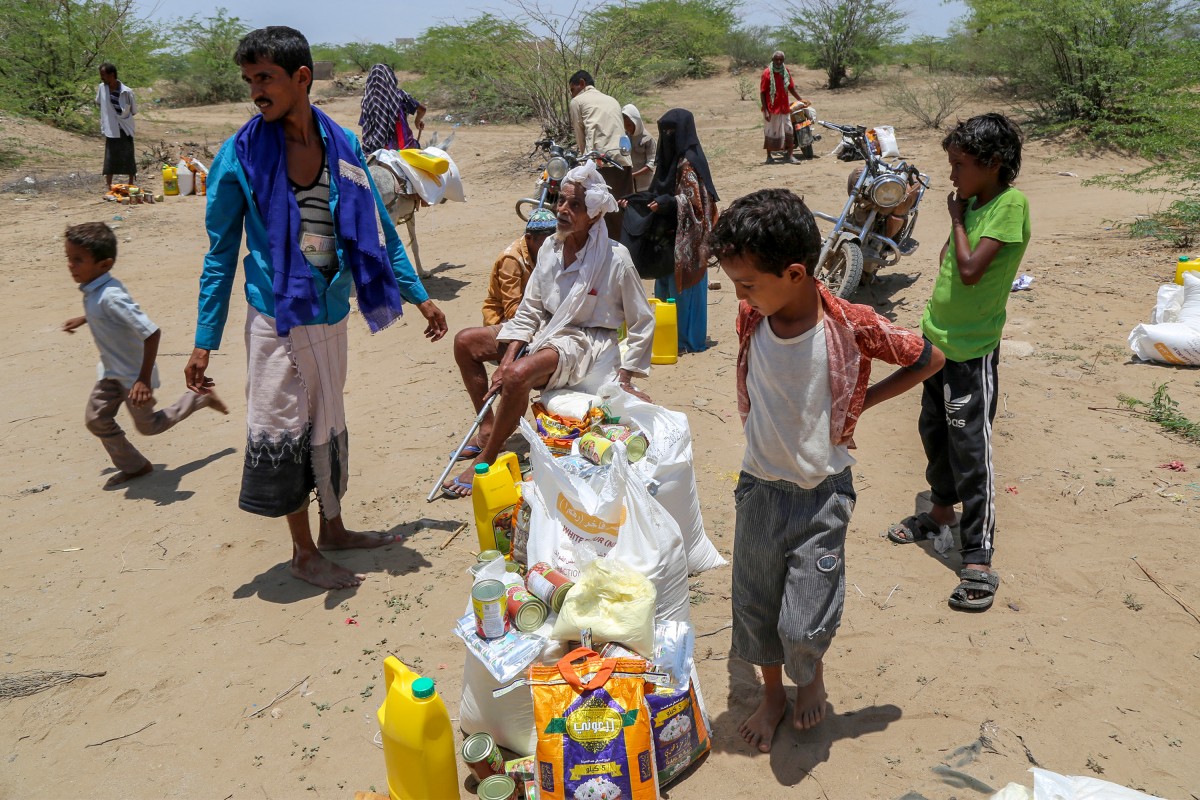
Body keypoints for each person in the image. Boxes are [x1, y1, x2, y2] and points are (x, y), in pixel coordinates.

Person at [184, 26, 448, 590]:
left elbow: (379, 228)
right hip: (278, 314)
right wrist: (204, 340)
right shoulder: (239, 157)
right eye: (250, 80)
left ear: (301, 78)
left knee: (327, 418)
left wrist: (418, 295)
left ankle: (334, 530)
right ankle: (303, 551)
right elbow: (221, 254)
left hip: (331, 308)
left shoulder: (342, 144)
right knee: (285, 425)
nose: (256, 91)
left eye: (266, 79)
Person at [708, 188, 944, 749]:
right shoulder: (752, 317)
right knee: (756, 603)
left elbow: (927, 358)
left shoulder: (850, 325)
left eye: (747, 283)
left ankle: (808, 677)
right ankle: (772, 694)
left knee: (803, 616)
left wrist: (863, 403)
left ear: (794, 273)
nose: (738, 296)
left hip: (823, 496)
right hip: (759, 489)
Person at [884, 114, 1030, 613]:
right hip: (938, 343)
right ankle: (940, 511)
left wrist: (955, 218)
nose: (952, 175)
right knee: (935, 434)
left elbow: (968, 271)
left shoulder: (1009, 206)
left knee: (972, 449)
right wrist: (960, 216)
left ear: (992, 165)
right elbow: (950, 261)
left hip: (971, 351)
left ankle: (979, 556)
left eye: (960, 165)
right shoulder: (973, 204)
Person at [443, 161, 655, 497]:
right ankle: (487, 429)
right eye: (561, 201)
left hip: (586, 341)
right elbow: (529, 310)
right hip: (545, 328)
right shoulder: (551, 249)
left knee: (515, 376)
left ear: (595, 214)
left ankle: (489, 454)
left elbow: (643, 320)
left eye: (575, 205)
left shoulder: (616, 259)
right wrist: (509, 353)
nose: (563, 210)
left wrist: (627, 376)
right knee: (466, 342)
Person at [63, 222, 228, 489]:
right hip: (110, 372)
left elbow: (151, 333)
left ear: (104, 264)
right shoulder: (96, 289)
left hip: (133, 377)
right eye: (69, 259)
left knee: (149, 426)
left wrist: (142, 380)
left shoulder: (112, 296)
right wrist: (84, 319)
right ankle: (135, 466)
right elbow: (104, 312)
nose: (71, 265)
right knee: (96, 420)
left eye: (78, 260)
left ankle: (198, 399)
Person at [640, 108, 719, 354]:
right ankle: (667, 336)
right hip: (667, 239)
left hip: (689, 243)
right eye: (664, 131)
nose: (668, 136)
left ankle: (687, 340)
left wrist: (672, 203)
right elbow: (657, 191)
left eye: (672, 131)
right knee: (666, 289)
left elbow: (698, 205)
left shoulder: (689, 163)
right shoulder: (667, 162)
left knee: (686, 293)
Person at [568, 70, 633, 240]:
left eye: (572, 89)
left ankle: (600, 251)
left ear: (582, 83)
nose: (572, 94)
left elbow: (580, 134)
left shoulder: (577, 101)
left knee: (596, 210)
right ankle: (626, 248)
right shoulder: (612, 100)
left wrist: (584, 163)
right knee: (622, 208)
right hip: (624, 160)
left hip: (600, 160)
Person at [480, 209, 558, 327]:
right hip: (502, 319)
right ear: (528, 238)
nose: (550, 248)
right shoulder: (511, 260)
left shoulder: (547, 251)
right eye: (545, 244)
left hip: (533, 310)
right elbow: (512, 310)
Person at [359, 63, 426, 152]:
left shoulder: (366, 101)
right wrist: (417, 121)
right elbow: (422, 109)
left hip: (373, 150)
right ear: (390, 78)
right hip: (403, 149)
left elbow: (364, 124)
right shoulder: (399, 95)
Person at [760, 52, 806, 165]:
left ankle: (790, 156)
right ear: (773, 59)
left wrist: (801, 100)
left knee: (789, 130)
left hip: (784, 107)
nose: (779, 62)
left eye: (781, 60)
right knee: (771, 132)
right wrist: (765, 110)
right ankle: (769, 156)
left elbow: (791, 88)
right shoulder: (766, 73)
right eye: (777, 60)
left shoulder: (785, 72)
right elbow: (762, 92)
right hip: (772, 108)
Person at [96, 64, 137, 190]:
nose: (101, 77)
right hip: (111, 127)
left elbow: (134, 110)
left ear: (111, 75)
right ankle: (109, 184)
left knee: (128, 154)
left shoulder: (127, 91)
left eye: (103, 75)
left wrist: (121, 116)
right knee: (110, 156)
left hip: (124, 126)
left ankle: (131, 183)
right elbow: (99, 102)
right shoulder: (102, 88)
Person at [622, 104, 656, 192]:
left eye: (629, 125)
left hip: (645, 185)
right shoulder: (626, 137)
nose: (627, 128)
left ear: (636, 122)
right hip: (630, 185)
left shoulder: (647, 139)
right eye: (625, 126)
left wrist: (634, 174)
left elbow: (651, 163)